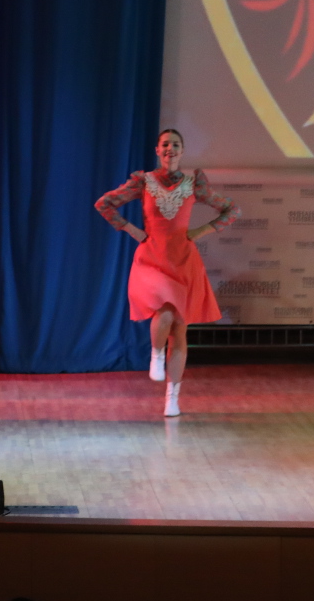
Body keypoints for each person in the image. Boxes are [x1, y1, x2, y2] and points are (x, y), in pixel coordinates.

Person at [94, 128, 239, 417]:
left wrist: (200, 231)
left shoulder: (194, 184)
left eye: (175, 144)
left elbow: (231, 210)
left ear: (182, 151)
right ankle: (156, 354)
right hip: (152, 258)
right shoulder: (144, 182)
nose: (170, 148)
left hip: (183, 260)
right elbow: (104, 203)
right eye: (165, 144)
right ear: (157, 150)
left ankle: (172, 398)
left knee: (180, 329)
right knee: (166, 313)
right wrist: (133, 230)